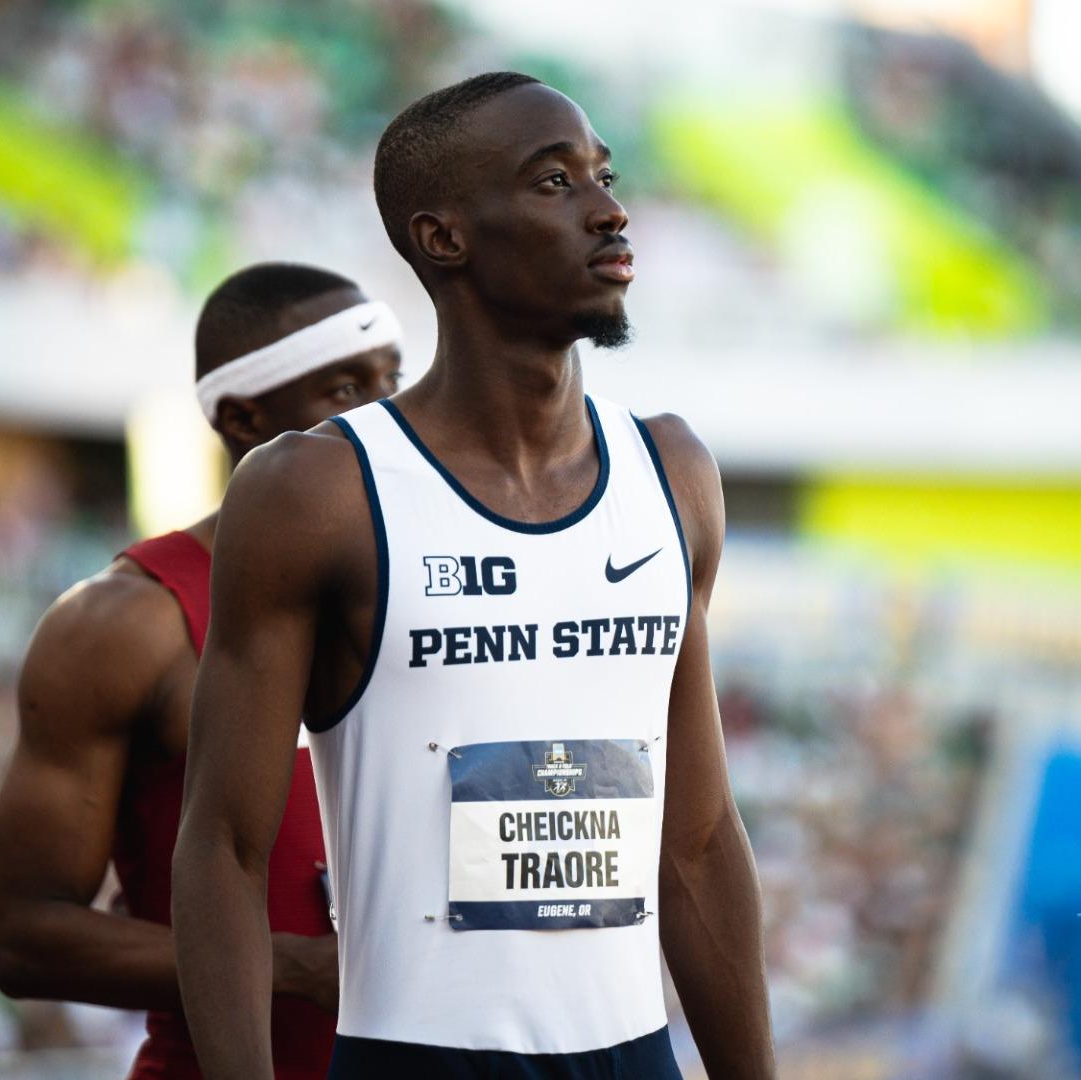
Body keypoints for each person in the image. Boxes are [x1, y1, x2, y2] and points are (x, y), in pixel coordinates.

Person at [172, 73, 774, 1078]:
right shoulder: (316, 491)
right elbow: (223, 849)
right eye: (553, 182)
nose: (609, 211)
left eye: (604, 176)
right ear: (444, 237)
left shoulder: (674, 473)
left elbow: (701, 841)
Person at [0, 263, 404, 1079]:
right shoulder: (124, 623)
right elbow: (22, 936)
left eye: (395, 380)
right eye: (349, 388)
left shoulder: (446, 586)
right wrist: (293, 964)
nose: (389, 417)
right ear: (246, 417)